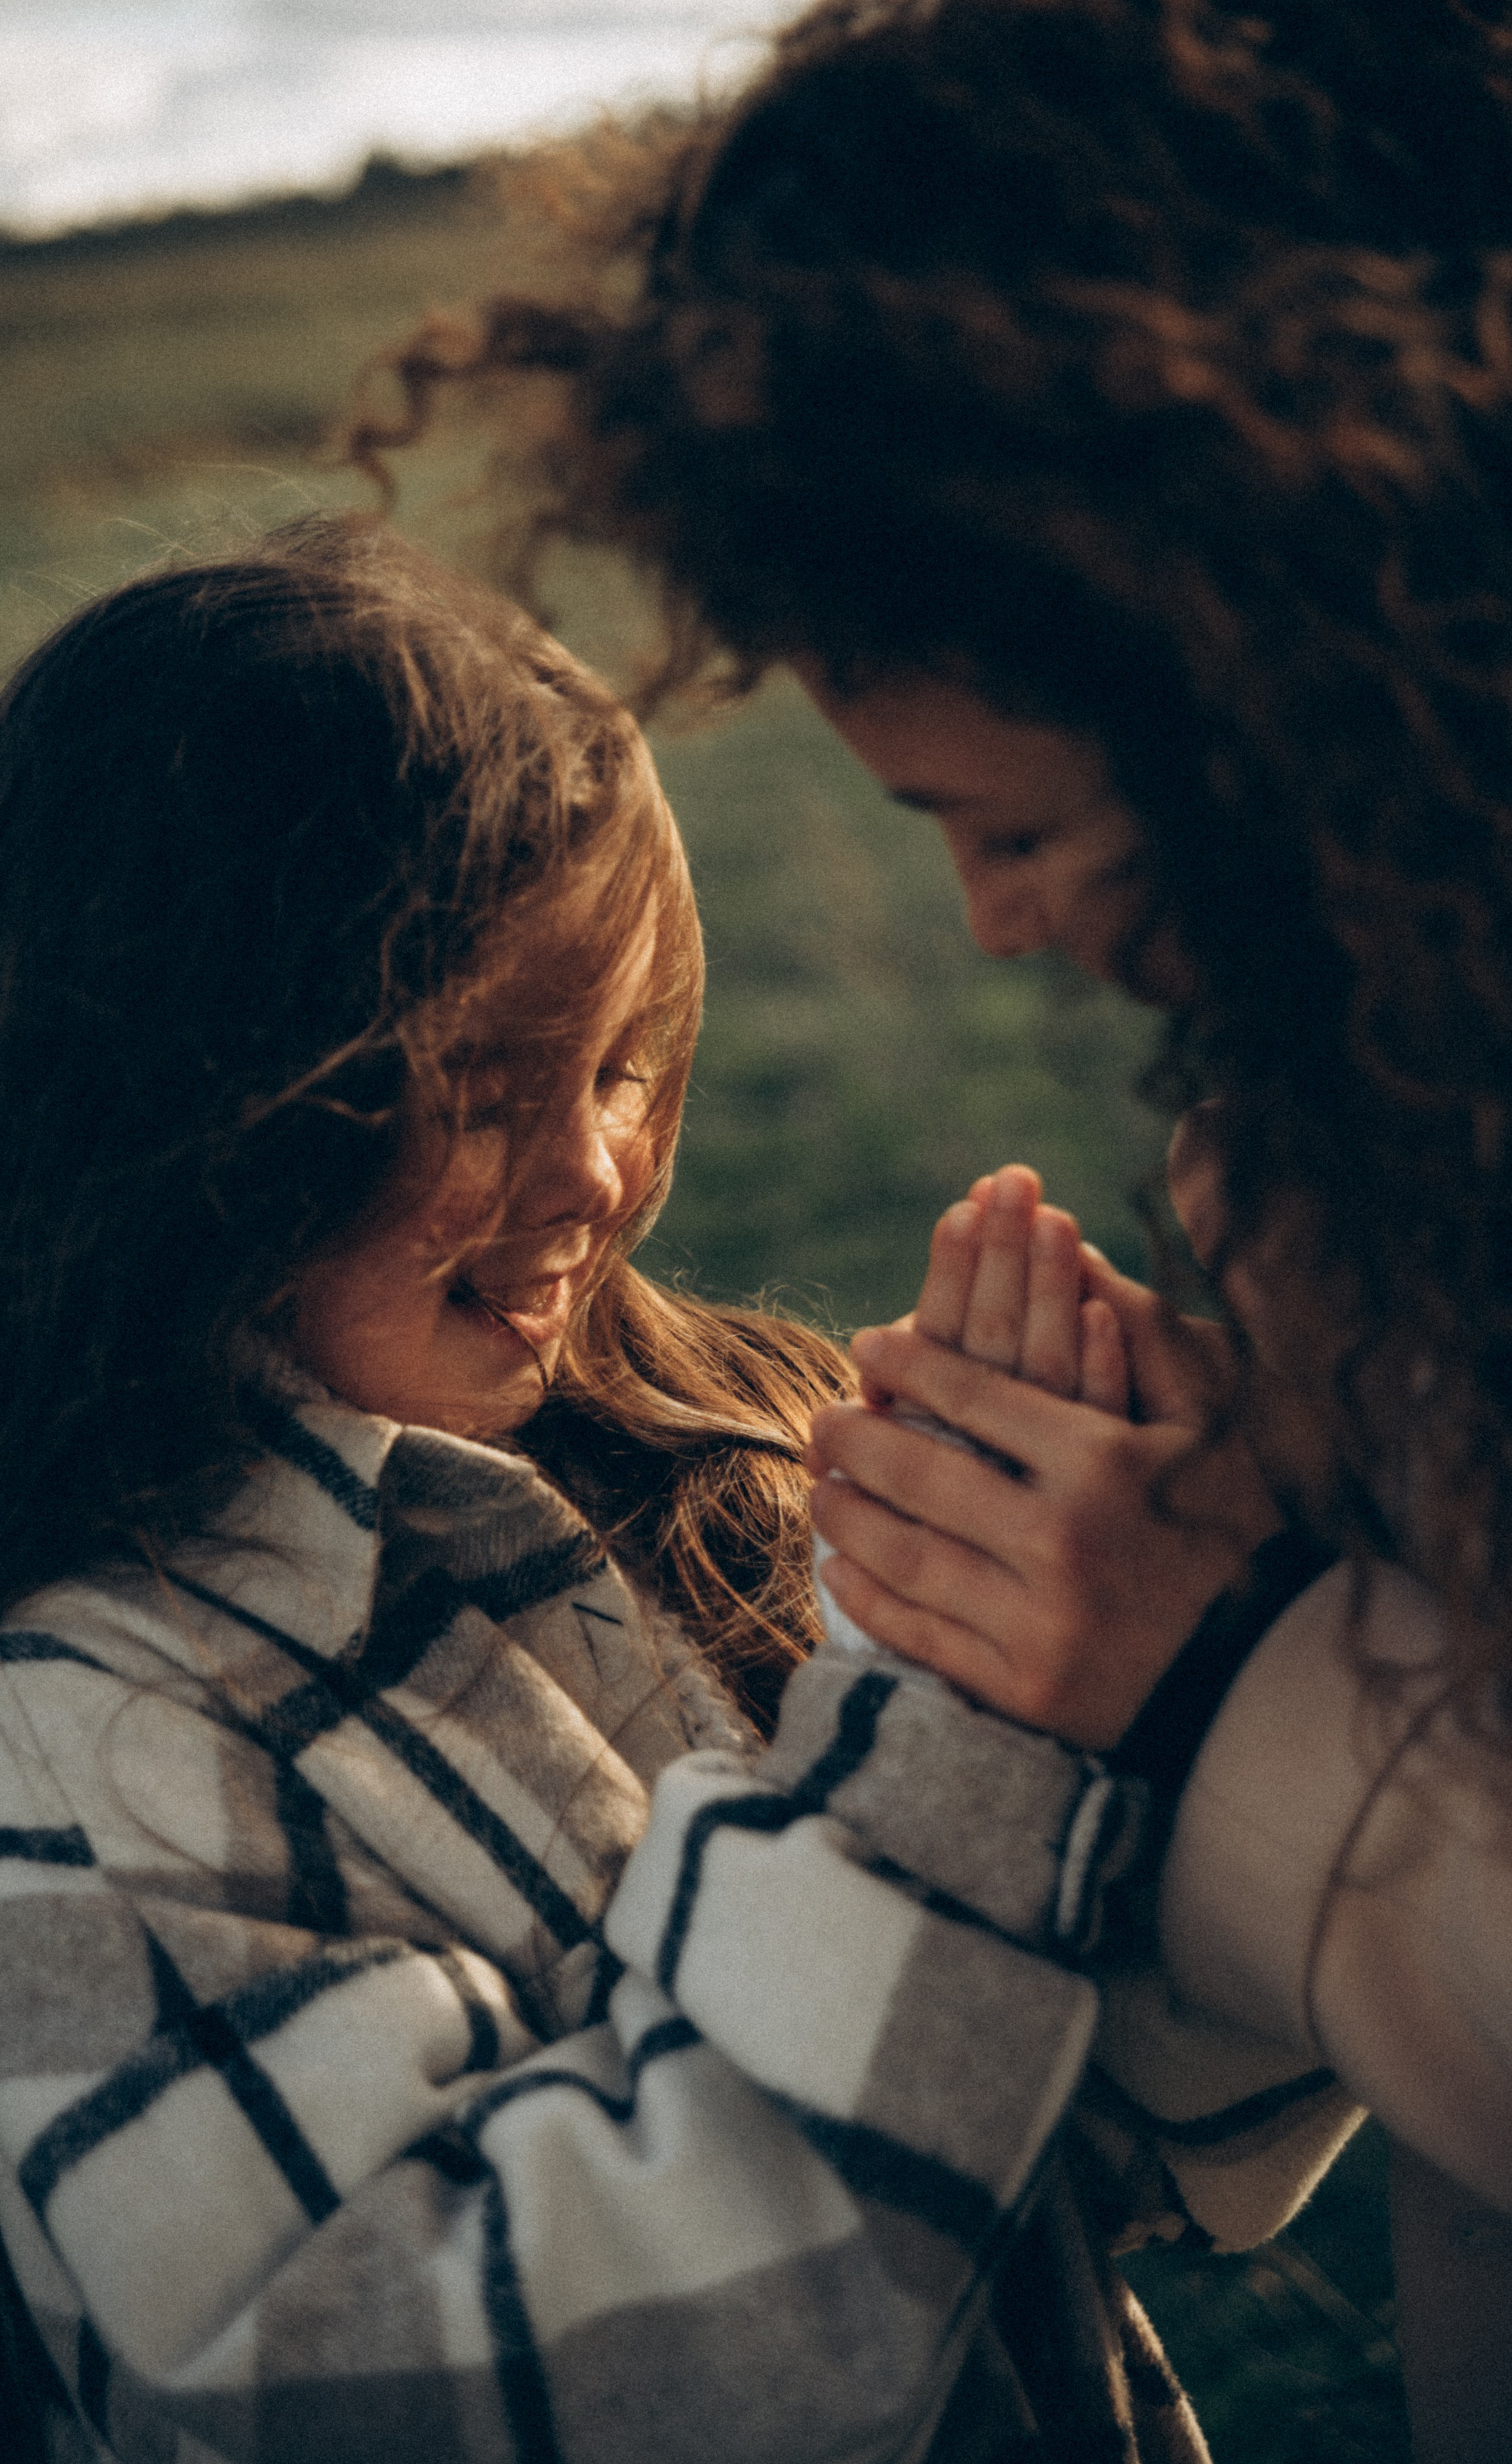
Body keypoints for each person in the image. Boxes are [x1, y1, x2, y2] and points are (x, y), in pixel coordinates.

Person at [350, 1, 1512, 2451]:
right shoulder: (1359, 1121)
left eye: (1019, 824)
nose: (993, 928)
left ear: (1289, 666)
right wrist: (1058, 1688)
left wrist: (1224, 1687)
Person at [0, 515, 1197, 2464]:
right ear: (187, 1107)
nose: (592, 1174)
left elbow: (1080, 2129)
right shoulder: (79, 1730)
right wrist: (955, 1744)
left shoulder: (722, 1451)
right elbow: (497, 2382)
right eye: (481, 1093)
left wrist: (1168, 1653)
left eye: (626, 1064)